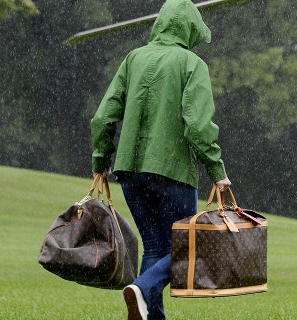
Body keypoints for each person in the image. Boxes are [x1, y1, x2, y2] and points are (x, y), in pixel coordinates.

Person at [90, 0, 230, 319]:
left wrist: (100, 161)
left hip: (129, 171)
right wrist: (216, 170)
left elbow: (103, 118)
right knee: (188, 246)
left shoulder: (133, 58)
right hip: (171, 170)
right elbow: (197, 125)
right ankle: (141, 287)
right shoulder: (191, 63)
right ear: (190, 29)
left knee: (154, 247)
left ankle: (150, 313)